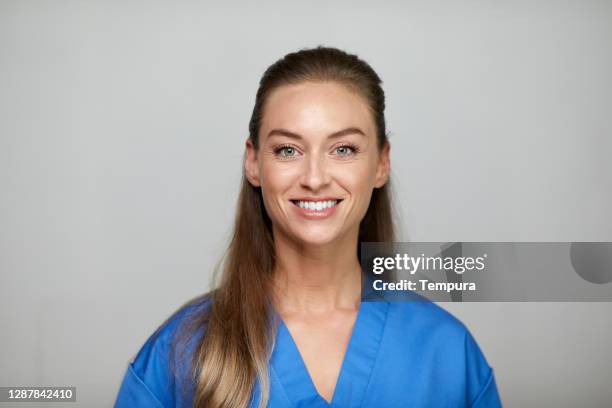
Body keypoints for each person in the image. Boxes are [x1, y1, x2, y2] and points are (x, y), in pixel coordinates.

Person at [114, 46, 503, 408]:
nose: (315, 178)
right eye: (288, 150)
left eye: (343, 149)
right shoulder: (180, 354)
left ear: (381, 163)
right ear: (253, 163)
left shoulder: (447, 352)